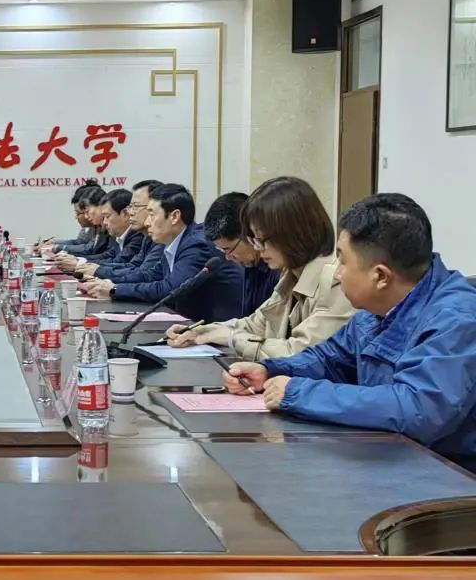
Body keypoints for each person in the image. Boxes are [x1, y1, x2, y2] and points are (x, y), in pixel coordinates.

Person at [223, 193, 476, 472]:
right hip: (391, 460)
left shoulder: (456, 319)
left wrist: (298, 393)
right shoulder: (377, 309)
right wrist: (270, 370)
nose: (338, 274)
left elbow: (419, 410)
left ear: (381, 276)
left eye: (343, 261)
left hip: (453, 479)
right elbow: (330, 358)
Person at [167, 179, 353, 359]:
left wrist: (232, 338)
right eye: (253, 239)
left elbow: (301, 353)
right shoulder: (290, 275)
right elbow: (257, 324)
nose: (257, 248)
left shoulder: (337, 281)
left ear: (293, 233)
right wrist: (202, 332)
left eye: (261, 240)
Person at [83, 183, 244, 323]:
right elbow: (150, 275)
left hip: (216, 330)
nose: (147, 222)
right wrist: (110, 285)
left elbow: (169, 288)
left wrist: (115, 290)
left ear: (174, 216)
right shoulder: (175, 242)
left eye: (152, 214)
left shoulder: (196, 244)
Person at [71, 179, 163, 280]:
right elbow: (133, 265)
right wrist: (89, 267)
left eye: (136, 206)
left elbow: (143, 274)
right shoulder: (147, 237)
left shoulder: (149, 237)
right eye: (131, 207)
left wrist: (98, 272)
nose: (130, 212)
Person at [61, 189, 135, 276]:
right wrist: (79, 261)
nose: (105, 222)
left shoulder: (137, 235)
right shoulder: (111, 230)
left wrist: (80, 264)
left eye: (107, 216)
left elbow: (125, 265)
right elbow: (109, 255)